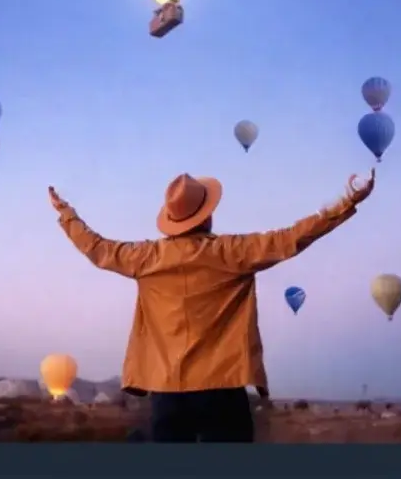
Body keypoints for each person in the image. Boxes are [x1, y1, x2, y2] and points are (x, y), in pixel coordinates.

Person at [48, 168, 376, 443]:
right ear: (207, 215)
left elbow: (96, 247)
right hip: (222, 389)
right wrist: (346, 201)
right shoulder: (232, 252)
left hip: (167, 392)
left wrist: (66, 214)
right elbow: (293, 237)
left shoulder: (145, 257)